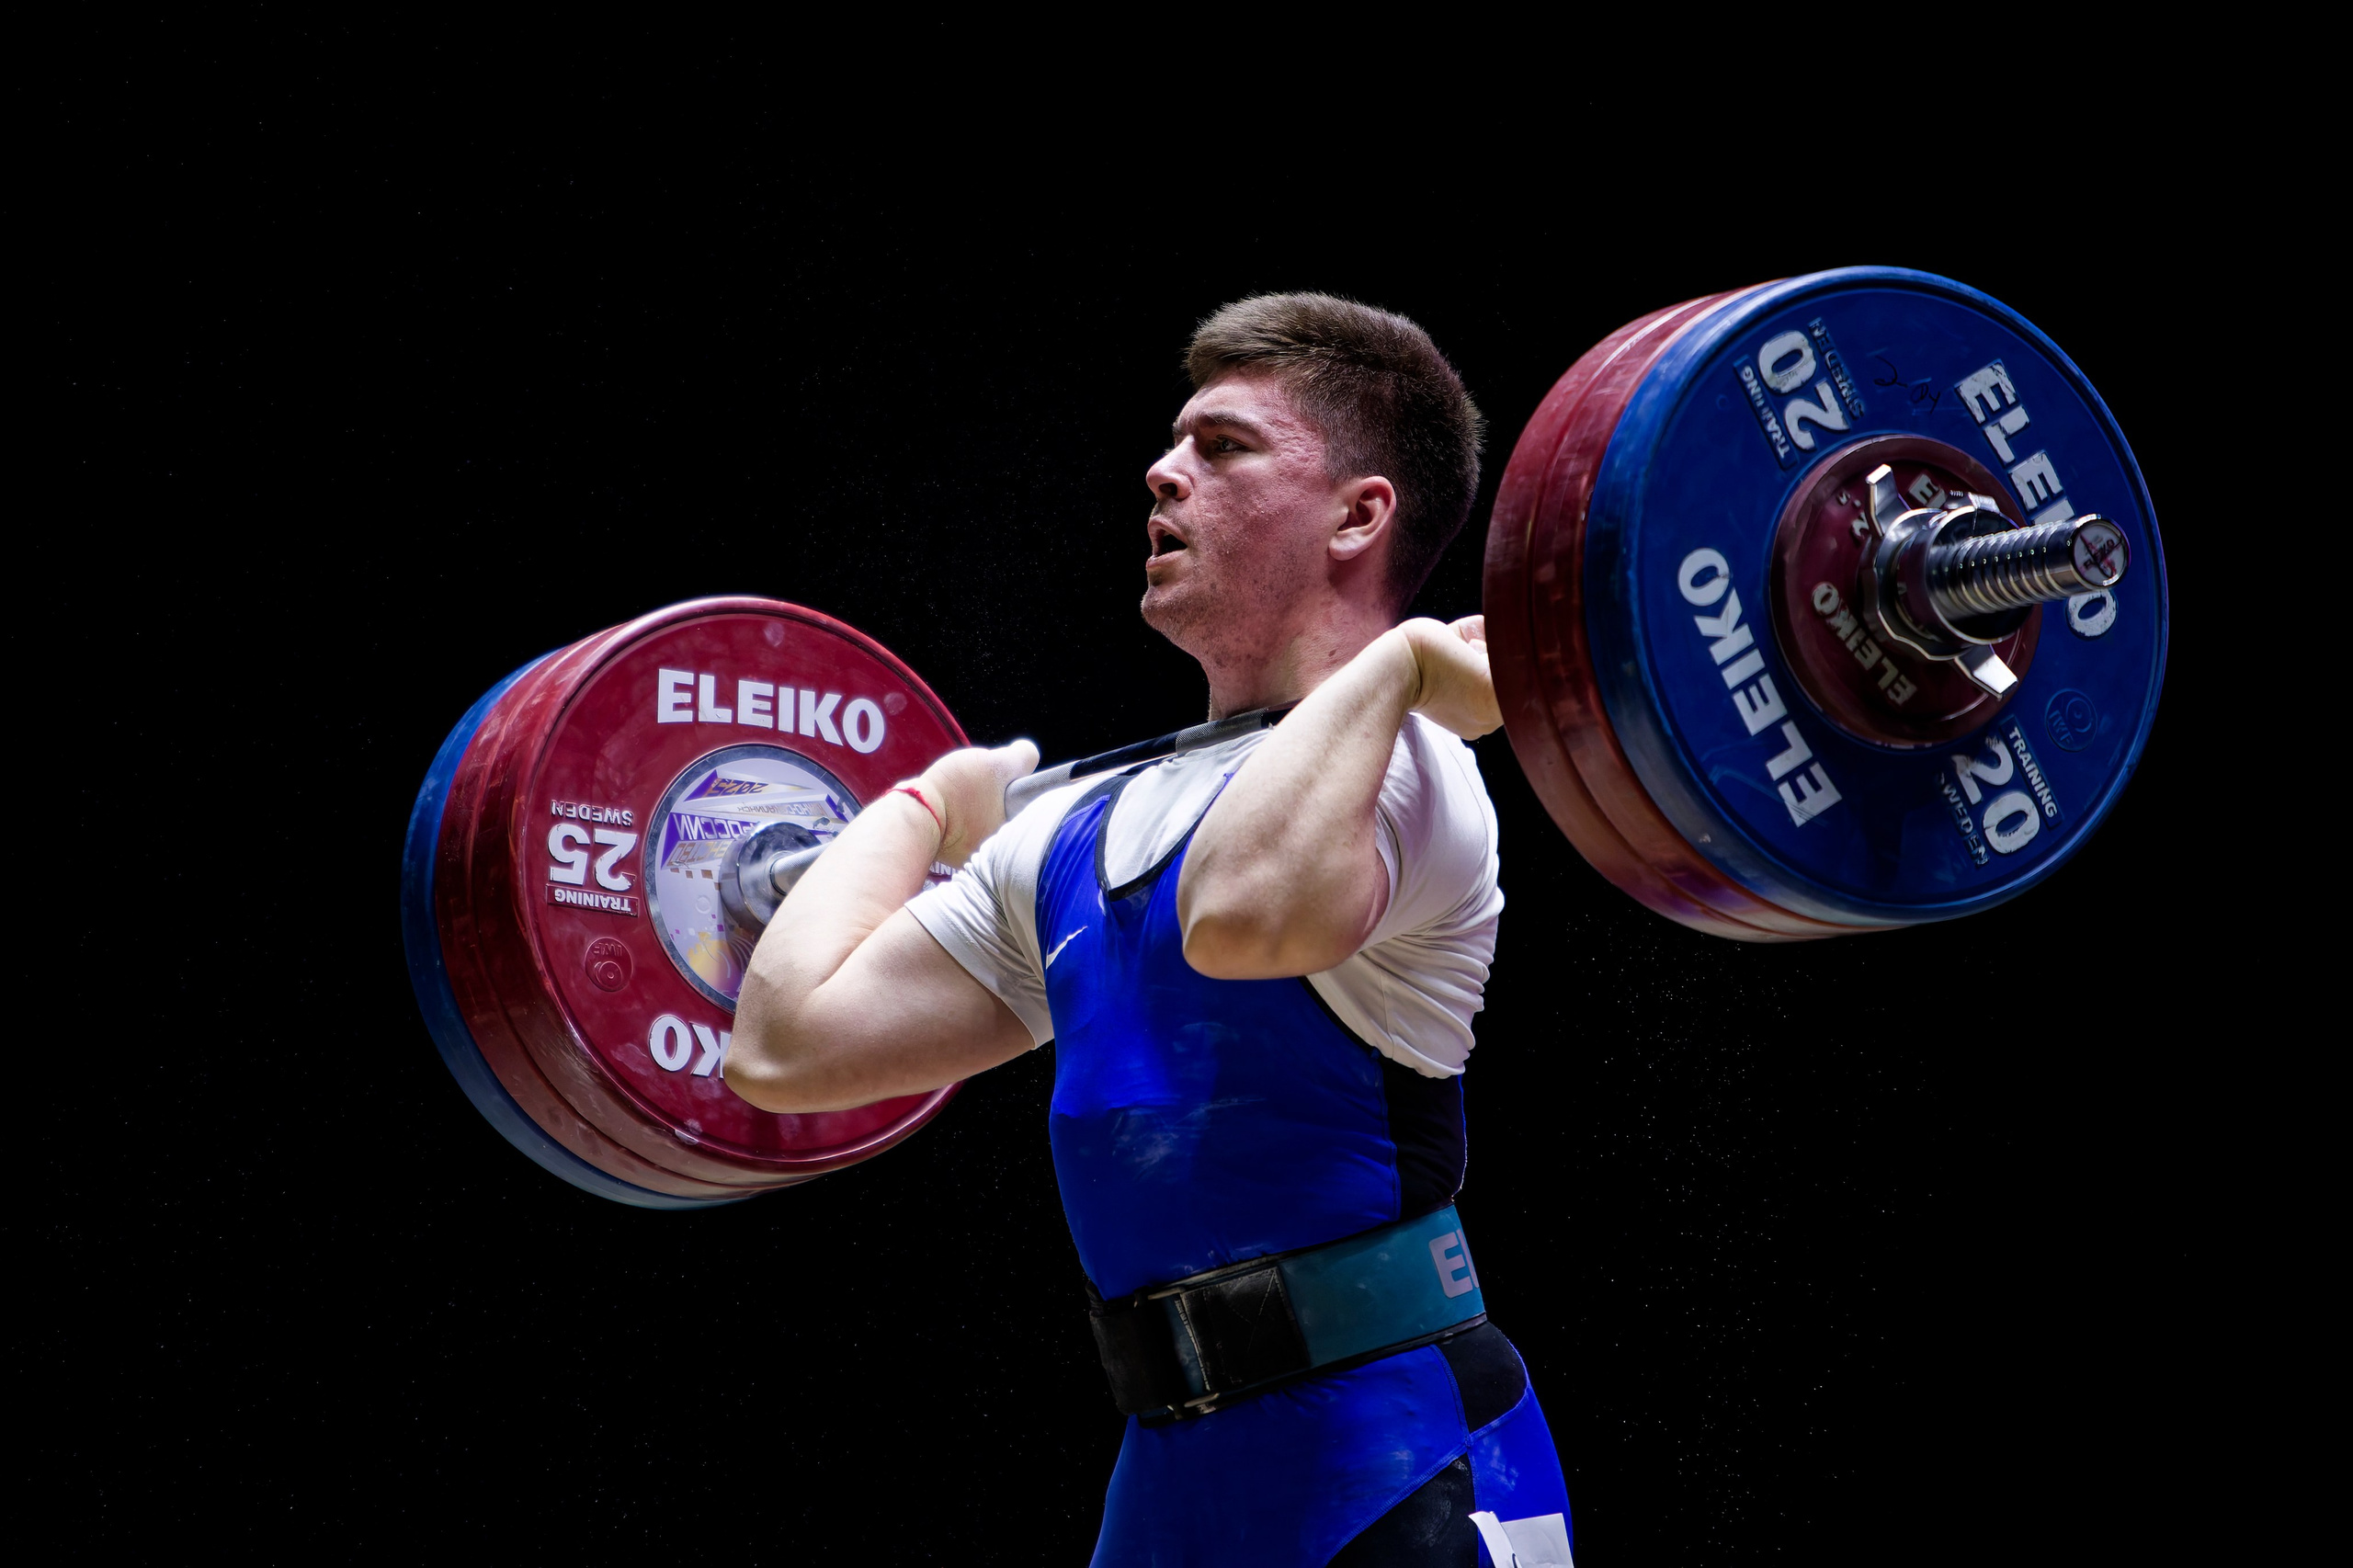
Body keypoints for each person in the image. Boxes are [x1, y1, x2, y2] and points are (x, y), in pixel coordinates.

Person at [730, 294, 1574, 1566]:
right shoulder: (1069, 832)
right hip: (1173, 1482)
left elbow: (1234, 922)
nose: (1164, 470)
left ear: (1359, 516)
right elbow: (785, 1047)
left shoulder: (1411, 768)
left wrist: (1394, 668)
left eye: (1223, 446)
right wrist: (928, 804)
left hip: (1396, 1459)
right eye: (1176, 442)